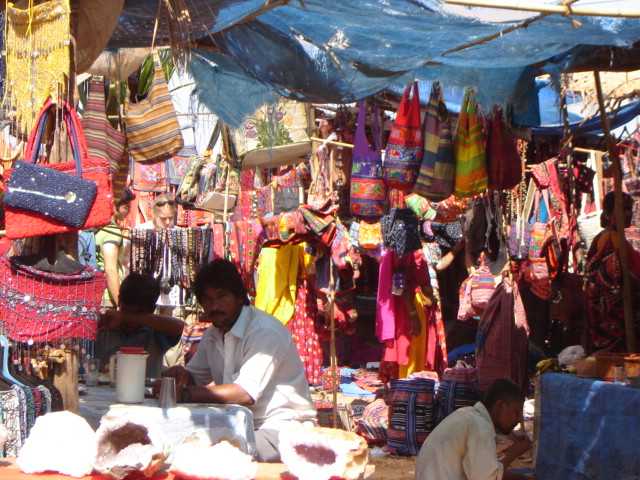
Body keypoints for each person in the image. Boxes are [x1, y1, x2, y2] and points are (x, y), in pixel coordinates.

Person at [159, 259, 316, 462]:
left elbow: (245, 393)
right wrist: (179, 376)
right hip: (239, 423)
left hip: (282, 429)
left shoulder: (264, 331)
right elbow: (194, 376)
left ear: (240, 297)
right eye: (207, 299)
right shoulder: (214, 333)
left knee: (208, 457)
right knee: (173, 444)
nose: (214, 306)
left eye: (221, 296)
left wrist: (185, 393)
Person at [416, 378, 532, 480]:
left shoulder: (469, 416)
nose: (519, 420)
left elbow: (483, 471)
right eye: (516, 412)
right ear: (500, 406)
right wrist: (513, 453)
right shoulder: (480, 427)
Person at [96, 273, 184, 378]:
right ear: (119, 301)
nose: (129, 320)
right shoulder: (106, 327)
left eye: (137, 314)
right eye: (126, 311)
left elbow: (180, 327)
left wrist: (125, 317)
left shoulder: (156, 332)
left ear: (151, 310)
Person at [585, 191, 640, 352]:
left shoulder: (617, 238)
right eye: (623, 209)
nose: (628, 213)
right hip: (612, 321)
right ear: (609, 214)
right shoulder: (610, 239)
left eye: (629, 208)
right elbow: (615, 278)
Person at [95, 189, 135, 307]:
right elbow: (110, 269)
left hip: (98, 293)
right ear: (114, 206)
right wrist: (120, 304)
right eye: (126, 207)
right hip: (108, 297)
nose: (128, 211)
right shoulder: (112, 231)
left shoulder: (98, 227)